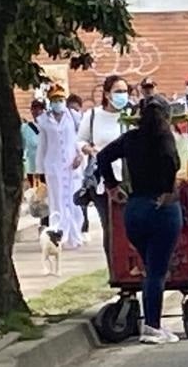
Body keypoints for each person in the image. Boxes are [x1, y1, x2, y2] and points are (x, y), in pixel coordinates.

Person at [95, 95, 182, 345]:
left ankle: (153, 322)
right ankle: (152, 326)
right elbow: (172, 162)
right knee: (157, 271)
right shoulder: (165, 138)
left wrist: (112, 186)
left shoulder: (131, 138)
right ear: (166, 116)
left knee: (149, 267)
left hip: (134, 208)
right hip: (161, 208)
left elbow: (102, 158)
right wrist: (167, 190)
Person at [78, 75, 130, 259]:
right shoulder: (92, 116)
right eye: (118, 92)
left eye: (125, 91)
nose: (122, 96)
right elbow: (80, 140)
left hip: (128, 178)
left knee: (130, 224)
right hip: (102, 181)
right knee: (110, 226)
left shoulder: (131, 116)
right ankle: (115, 269)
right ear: (107, 94)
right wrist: (88, 149)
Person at [36, 84, 85, 250]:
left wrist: (80, 155)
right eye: (55, 100)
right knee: (57, 201)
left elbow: (80, 138)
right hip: (53, 165)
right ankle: (58, 234)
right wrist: (39, 171)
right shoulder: (43, 121)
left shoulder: (73, 116)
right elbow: (42, 146)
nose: (58, 103)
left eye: (61, 100)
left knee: (73, 201)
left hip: (72, 164)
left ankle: (75, 234)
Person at [22, 99, 45, 189]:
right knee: (32, 189)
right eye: (34, 109)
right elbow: (23, 144)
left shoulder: (49, 126)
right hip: (31, 163)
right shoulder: (25, 128)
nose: (36, 111)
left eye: (39, 109)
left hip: (45, 163)